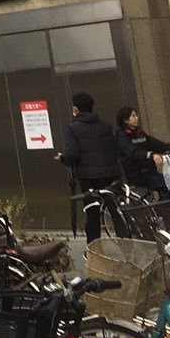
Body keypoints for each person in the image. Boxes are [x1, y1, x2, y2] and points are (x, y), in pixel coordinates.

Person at [57, 92, 123, 243]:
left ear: (75, 109)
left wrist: (63, 158)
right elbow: (114, 149)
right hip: (111, 175)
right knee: (116, 211)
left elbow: (73, 154)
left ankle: (94, 248)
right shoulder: (106, 126)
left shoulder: (72, 128)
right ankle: (126, 244)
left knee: (93, 213)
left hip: (89, 177)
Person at [117, 105, 170, 198]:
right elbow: (133, 152)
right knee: (165, 186)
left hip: (150, 171)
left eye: (136, 115)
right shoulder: (122, 136)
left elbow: (156, 144)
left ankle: (164, 209)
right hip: (136, 173)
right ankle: (164, 211)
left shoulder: (140, 133)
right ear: (125, 120)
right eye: (133, 116)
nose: (136, 118)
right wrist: (151, 155)